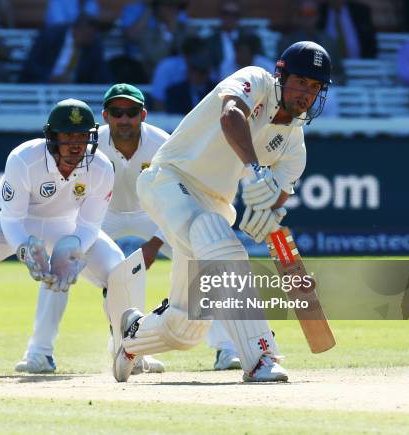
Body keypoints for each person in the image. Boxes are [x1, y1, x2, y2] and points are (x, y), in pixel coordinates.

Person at [112, 41, 333, 383]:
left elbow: (276, 200)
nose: (306, 93)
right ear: (281, 74)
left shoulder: (294, 146)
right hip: (169, 179)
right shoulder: (255, 80)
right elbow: (231, 116)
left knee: (187, 328)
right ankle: (261, 356)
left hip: (214, 204)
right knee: (225, 246)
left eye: (315, 87)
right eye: (301, 81)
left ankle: (133, 335)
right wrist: (257, 170)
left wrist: (270, 214)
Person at [0, 98, 145, 373]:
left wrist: (71, 247)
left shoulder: (101, 168)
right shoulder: (24, 159)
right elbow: (12, 219)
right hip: (9, 222)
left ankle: (128, 348)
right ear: (51, 136)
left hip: (66, 225)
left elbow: (89, 225)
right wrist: (26, 250)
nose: (76, 144)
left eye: (82, 136)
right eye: (67, 135)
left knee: (120, 268)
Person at [19, 84, 168, 374]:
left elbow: (177, 197)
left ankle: (224, 348)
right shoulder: (88, 143)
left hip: (152, 214)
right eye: (116, 112)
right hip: (101, 215)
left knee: (198, 252)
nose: (124, 119)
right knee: (61, 263)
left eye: (131, 112)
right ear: (105, 116)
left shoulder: (163, 144)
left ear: (143, 115)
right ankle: (39, 352)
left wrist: (156, 242)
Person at [19, 13, 111, 84]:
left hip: (74, 91)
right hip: (42, 84)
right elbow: (32, 65)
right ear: (76, 29)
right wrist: (50, 78)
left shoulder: (94, 46)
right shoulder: (50, 36)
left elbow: (101, 74)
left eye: (93, 35)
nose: (91, 39)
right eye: (88, 35)